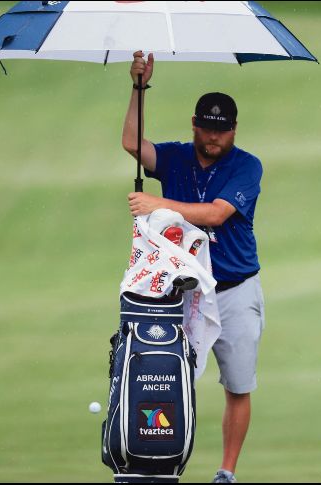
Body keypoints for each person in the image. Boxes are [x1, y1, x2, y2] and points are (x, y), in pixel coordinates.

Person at [123, 51, 265, 484]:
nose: (213, 137)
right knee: (167, 378)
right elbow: (133, 144)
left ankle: (226, 471)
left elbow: (216, 214)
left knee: (238, 386)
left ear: (233, 130)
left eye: (222, 130)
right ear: (194, 123)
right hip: (183, 290)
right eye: (207, 128)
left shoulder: (247, 165)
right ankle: (163, 460)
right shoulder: (176, 157)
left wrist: (157, 204)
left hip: (236, 289)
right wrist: (138, 87)